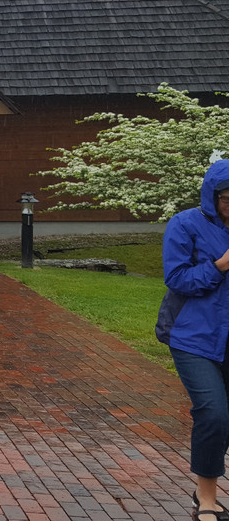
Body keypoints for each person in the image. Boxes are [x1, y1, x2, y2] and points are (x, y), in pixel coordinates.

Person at [159, 158, 229, 520]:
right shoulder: (185, 224)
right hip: (194, 337)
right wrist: (221, 265)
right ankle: (206, 498)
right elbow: (177, 279)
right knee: (214, 414)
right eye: (228, 199)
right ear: (212, 196)